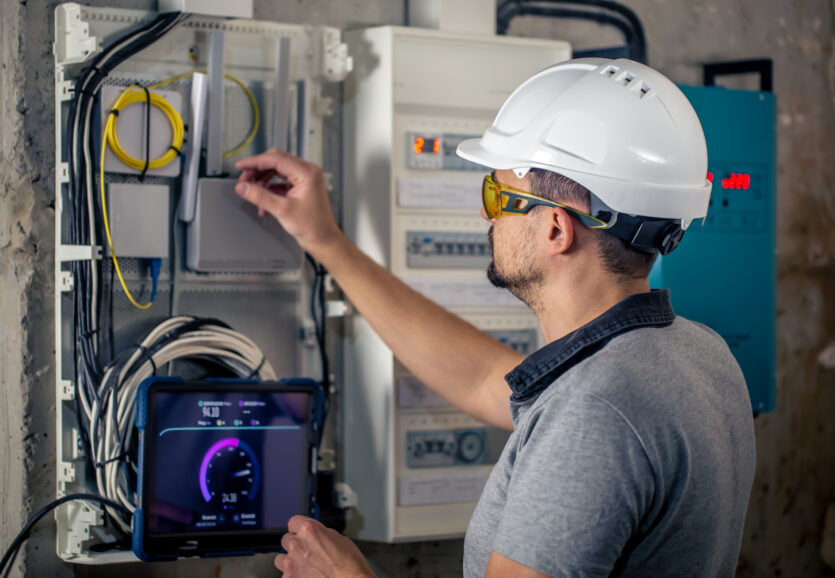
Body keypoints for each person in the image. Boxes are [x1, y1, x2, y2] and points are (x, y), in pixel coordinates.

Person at [234, 58, 756, 577]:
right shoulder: (697, 354)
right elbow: (483, 377)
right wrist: (325, 241)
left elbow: (581, 416)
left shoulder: (593, 413)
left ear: (556, 229)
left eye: (497, 194)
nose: (485, 215)